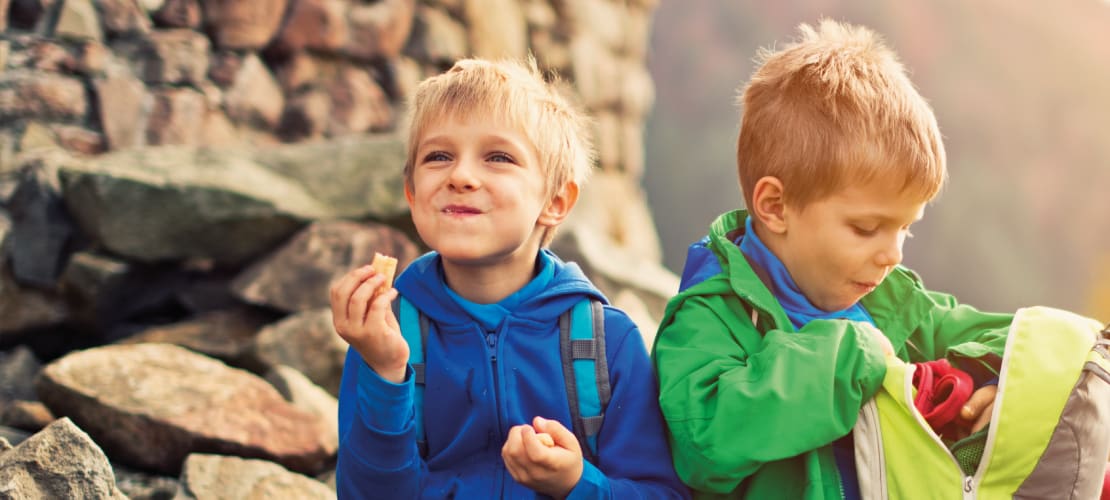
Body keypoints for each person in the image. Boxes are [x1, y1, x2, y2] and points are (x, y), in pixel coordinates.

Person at [652, 20, 1013, 499]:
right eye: (866, 228)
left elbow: (1015, 339)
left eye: (905, 227)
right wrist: (852, 356)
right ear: (776, 207)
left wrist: (996, 384)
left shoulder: (894, 304)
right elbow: (705, 443)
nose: (893, 253)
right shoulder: (708, 319)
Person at [331, 57, 688, 499]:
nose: (460, 176)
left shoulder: (605, 341)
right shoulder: (389, 333)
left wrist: (577, 484)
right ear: (411, 192)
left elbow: (662, 494)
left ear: (555, 201)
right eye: (438, 156)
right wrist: (385, 372)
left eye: (498, 157)